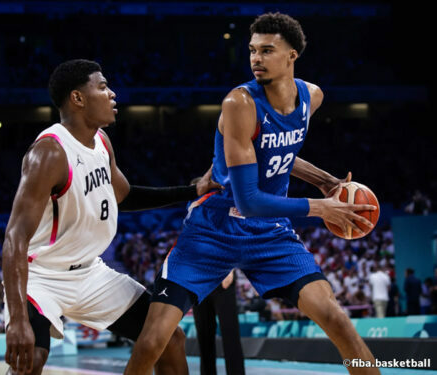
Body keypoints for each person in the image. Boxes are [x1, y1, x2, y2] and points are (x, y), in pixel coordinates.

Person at [124, 12, 379, 375]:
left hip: (270, 232)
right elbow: (250, 201)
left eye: (267, 50)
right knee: (152, 342)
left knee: (336, 319)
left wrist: (323, 179)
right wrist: (322, 207)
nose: (256, 58)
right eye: (252, 50)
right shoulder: (239, 103)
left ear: (292, 55)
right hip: (213, 229)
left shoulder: (312, 97)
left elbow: (278, 152)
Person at [2, 59, 220, 375]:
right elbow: (14, 238)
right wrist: (18, 319)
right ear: (78, 98)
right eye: (103, 87)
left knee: (168, 337)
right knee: (30, 360)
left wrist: (193, 190)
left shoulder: (102, 142)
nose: (112, 94)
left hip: (90, 273)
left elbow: (124, 196)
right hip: (42, 277)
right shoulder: (49, 152)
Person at [193, 269, 245, 375]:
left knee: (230, 335)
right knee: (204, 336)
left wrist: (230, 269)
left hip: (222, 277)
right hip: (198, 281)